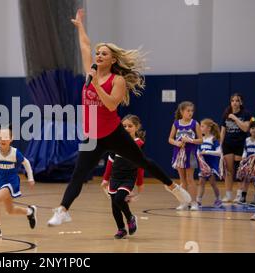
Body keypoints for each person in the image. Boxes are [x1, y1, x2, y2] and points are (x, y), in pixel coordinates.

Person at [47, 8, 191, 226]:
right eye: (98, 53)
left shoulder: (117, 80)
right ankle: (63, 210)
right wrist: (80, 27)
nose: (98, 56)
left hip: (113, 133)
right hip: (92, 135)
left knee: (142, 161)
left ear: (113, 59)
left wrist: (96, 84)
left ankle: (174, 188)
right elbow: (85, 46)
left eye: (104, 53)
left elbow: (112, 104)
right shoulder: (90, 70)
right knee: (79, 174)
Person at [101, 115, 144, 239]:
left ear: (137, 127)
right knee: (114, 206)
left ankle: (130, 218)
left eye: (130, 126)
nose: (126, 128)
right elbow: (110, 161)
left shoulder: (138, 144)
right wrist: (105, 178)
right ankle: (121, 229)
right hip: (115, 178)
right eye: (124, 126)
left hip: (128, 178)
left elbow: (141, 165)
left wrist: (140, 183)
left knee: (119, 199)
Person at [169, 101, 203, 210]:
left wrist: (191, 140)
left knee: (190, 179)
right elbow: (170, 139)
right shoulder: (176, 123)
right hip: (179, 154)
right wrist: (177, 143)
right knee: (182, 180)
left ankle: (193, 202)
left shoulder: (195, 123)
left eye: (192, 111)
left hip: (190, 154)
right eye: (188, 111)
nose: (190, 113)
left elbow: (201, 140)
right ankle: (183, 202)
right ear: (182, 111)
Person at [220, 93, 251, 202]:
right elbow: (223, 130)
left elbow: (245, 129)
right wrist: (220, 145)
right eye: (233, 100)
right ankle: (228, 194)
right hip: (228, 144)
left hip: (240, 144)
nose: (235, 103)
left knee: (239, 171)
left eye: (237, 100)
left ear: (241, 102)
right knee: (229, 170)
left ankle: (239, 194)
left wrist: (235, 118)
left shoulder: (245, 113)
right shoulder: (226, 113)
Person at [196, 118, 222, 208]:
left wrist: (206, 152)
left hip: (211, 165)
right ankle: (198, 200)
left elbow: (219, 152)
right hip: (203, 166)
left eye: (202, 126)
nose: (200, 128)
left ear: (209, 128)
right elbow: (198, 151)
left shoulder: (213, 139)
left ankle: (218, 198)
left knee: (212, 183)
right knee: (201, 182)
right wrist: (198, 154)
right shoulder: (201, 139)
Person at [238, 120, 255, 204]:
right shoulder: (247, 140)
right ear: (249, 129)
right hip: (248, 163)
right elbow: (245, 150)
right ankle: (243, 196)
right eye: (252, 128)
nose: (254, 130)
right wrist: (243, 157)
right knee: (246, 180)